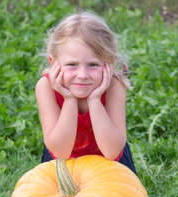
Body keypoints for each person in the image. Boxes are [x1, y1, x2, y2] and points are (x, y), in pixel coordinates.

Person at [35, 11, 136, 174]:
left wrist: (95, 100)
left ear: (108, 64)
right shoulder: (45, 87)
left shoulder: (114, 86)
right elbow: (60, 152)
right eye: (72, 64)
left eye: (93, 65)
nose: (82, 75)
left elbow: (112, 151)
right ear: (54, 63)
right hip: (62, 164)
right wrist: (69, 99)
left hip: (109, 163)